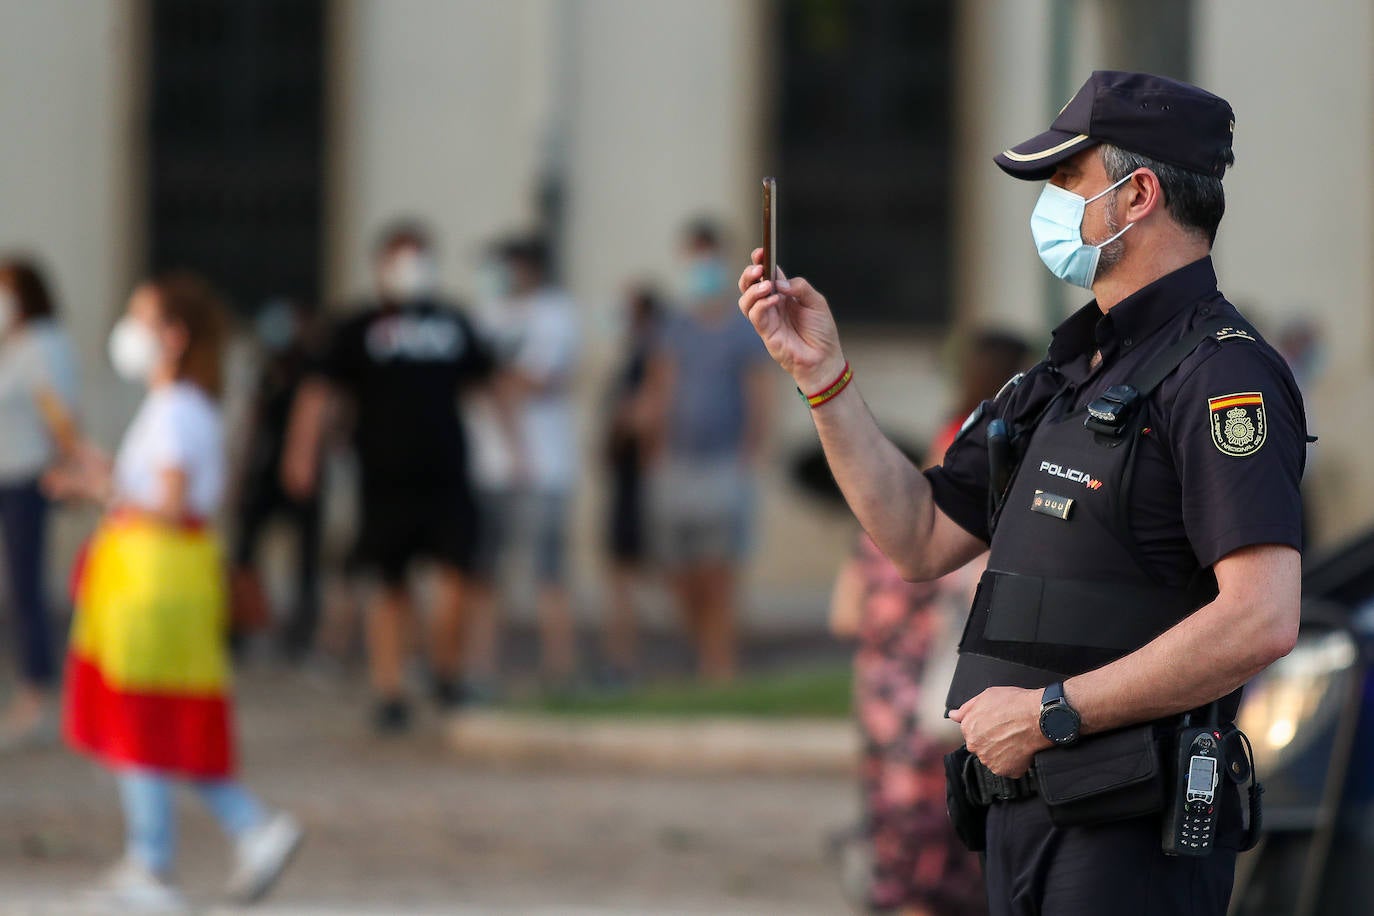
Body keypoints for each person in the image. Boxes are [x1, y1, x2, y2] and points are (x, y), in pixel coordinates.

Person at [738, 71, 1306, 915]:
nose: (1048, 205)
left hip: (1130, 832)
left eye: (1067, 181)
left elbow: (1261, 617)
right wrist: (823, 379)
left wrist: (1053, 715)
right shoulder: (1062, 376)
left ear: (1137, 193)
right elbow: (919, 534)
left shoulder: (1222, 374)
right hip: (1021, 816)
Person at [52, 273, 302, 909]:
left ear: (173, 335)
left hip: (156, 581)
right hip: (154, 577)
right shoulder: (177, 407)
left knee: (142, 718)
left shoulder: (180, 409)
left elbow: (165, 502)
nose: (127, 332)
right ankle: (236, 833)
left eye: (139, 318)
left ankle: (159, 861)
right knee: (158, 719)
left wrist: (103, 491)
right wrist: (105, 480)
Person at [829, 331, 1028, 916]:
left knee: (909, 870)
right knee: (958, 870)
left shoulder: (927, 472)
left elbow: (844, 612)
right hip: (961, 706)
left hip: (892, 706)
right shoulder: (1010, 475)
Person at [283, 221, 495, 733]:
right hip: (383, 477)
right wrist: (302, 454)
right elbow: (319, 392)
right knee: (388, 584)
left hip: (447, 474)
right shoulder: (356, 326)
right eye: (402, 257)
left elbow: (486, 382)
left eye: (420, 256)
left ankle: (447, 672)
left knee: (457, 578)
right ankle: (390, 688)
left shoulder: (452, 321)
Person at [645, 219, 775, 682]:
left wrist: (750, 450)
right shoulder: (675, 327)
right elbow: (662, 387)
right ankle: (699, 646)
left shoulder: (741, 328)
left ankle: (720, 662)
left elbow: (759, 392)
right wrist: (655, 449)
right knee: (681, 570)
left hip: (724, 464)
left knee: (720, 568)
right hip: (678, 464)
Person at [466, 235, 582, 690]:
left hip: (544, 469)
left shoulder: (556, 314)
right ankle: (480, 669)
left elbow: (540, 380)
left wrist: (497, 383)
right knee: (482, 574)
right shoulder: (484, 314)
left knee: (549, 574)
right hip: (487, 466)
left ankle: (560, 670)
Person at [0, 258, 80, 749]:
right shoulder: (14, 346)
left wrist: (70, 464)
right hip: (8, 475)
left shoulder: (43, 344)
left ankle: (37, 694)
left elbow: (58, 411)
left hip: (26, 480)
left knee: (26, 588)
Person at [230, 297, 323, 662]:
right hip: (263, 473)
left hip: (304, 476)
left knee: (307, 560)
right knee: (245, 552)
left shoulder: (312, 369)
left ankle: (302, 635)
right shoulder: (266, 370)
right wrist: (241, 471)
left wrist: (302, 461)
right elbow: (252, 422)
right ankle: (238, 627)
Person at [598, 285, 662, 685]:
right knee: (622, 576)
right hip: (625, 481)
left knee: (667, 574)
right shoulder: (630, 362)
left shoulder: (654, 362)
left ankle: (636, 661)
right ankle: (623, 660)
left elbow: (640, 420)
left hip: (648, 483)